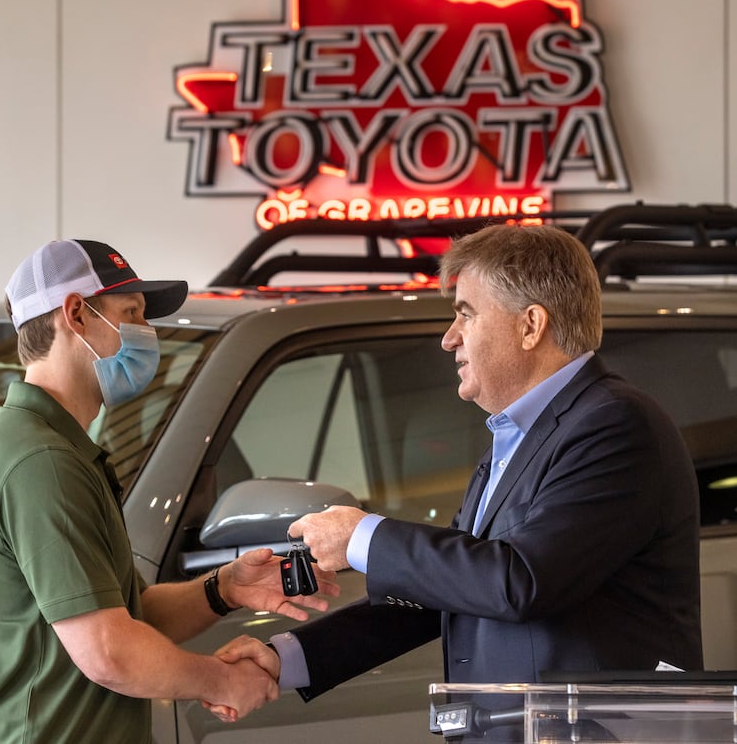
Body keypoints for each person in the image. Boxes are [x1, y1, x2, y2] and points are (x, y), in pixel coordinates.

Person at [218, 223, 704, 731]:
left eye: (466, 314)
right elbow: (452, 587)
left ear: (531, 325)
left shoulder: (615, 424)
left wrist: (362, 535)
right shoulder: (521, 431)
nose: (449, 338)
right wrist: (289, 659)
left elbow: (519, 580)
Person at [0, 238, 338, 744]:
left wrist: (224, 588)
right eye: (131, 312)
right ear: (76, 314)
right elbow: (109, 652)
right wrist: (222, 680)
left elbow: (129, 615)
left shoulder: (56, 447)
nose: (147, 332)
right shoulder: (42, 462)